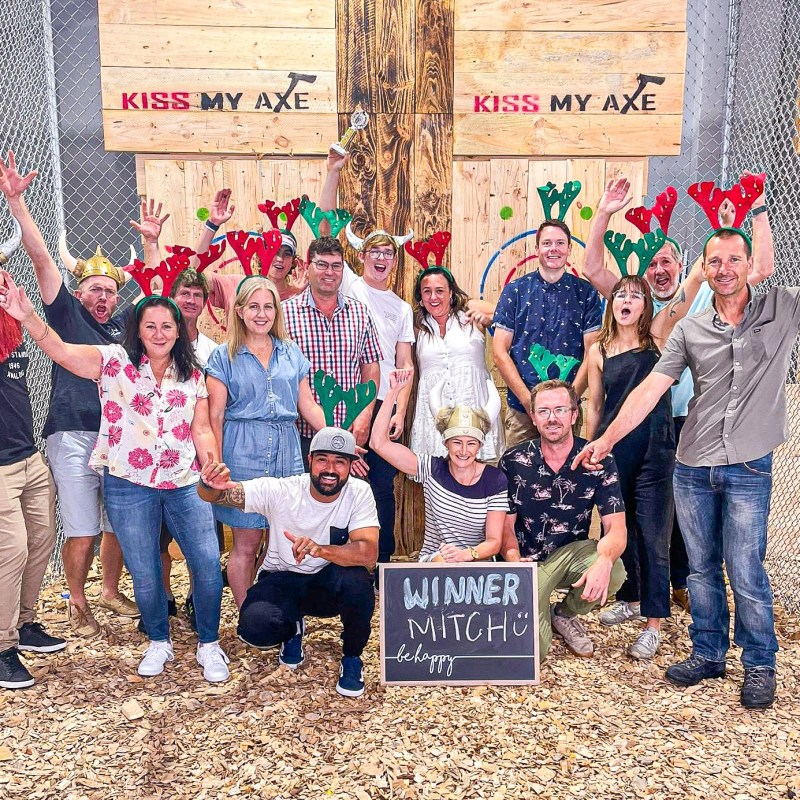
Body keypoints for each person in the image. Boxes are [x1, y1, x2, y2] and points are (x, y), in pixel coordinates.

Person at [573, 226, 793, 709]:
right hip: (692, 463)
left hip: (748, 464)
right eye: (715, 262)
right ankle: (709, 651)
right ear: (704, 269)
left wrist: (758, 210)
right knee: (699, 567)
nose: (725, 269)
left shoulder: (779, 309)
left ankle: (760, 663)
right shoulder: (690, 330)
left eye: (734, 260)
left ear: (747, 265)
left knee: (744, 566)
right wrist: (604, 440)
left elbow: (767, 265)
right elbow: (650, 389)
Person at [0, 274, 229, 683]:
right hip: (129, 483)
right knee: (143, 568)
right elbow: (60, 350)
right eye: (150, 326)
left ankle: (209, 644)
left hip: (183, 482)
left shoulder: (193, 373)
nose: (159, 333)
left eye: (167, 326)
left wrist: (212, 464)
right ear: (137, 330)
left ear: (179, 331)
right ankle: (158, 640)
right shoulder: (112, 361)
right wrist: (29, 315)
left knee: (207, 562)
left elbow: (201, 428)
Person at [583, 174, 775, 613]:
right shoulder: (633, 307)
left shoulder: (698, 294)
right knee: (636, 511)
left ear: (684, 264)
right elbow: (594, 269)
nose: (659, 269)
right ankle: (636, 592)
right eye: (652, 263)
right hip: (633, 422)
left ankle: (682, 583)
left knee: (680, 510)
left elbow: (745, 270)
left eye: (667, 260)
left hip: (688, 418)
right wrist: (605, 212)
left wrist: (736, 222)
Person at [0, 152, 149, 636]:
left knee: (116, 523)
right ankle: (77, 602)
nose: (102, 297)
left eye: (109, 290)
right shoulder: (66, 314)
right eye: (94, 289)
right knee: (82, 527)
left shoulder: (125, 327)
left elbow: (159, 294)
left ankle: (109, 591)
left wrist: (150, 244)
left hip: (120, 437)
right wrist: (17, 204)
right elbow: (43, 258)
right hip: (73, 434)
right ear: (79, 292)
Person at [198, 427, 379, 698]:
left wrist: (321, 551)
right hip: (283, 577)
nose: (330, 469)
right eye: (322, 460)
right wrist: (209, 485)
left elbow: (368, 553)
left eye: (339, 462)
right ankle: (291, 628)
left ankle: (352, 657)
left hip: (327, 581)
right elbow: (219, 495)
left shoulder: (359, 492)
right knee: (254, 628)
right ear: (310, 460)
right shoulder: (283, 490)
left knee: (359, 583)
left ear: (351, 466)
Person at [206, 276, 326, 607]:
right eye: (254, 307)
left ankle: (269, 606)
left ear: (277, 311)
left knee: (282, 540)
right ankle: (248, 615)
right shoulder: (223, 356)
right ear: (240, 311)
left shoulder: (291, 352)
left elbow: (307, 404)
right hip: (242, 450)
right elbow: (215, 416)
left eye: (268, 307)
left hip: (287, 452)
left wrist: (335, 437)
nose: (262, 314)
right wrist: (217, 462)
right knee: (245, 543)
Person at [499, 380, 627, 660]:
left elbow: (616, 528)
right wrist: (513, 561)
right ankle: (538, 606)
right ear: (533, 417)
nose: (552, 418)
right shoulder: (514, 460)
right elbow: (505, 525)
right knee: (532, 654)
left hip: (569, 557)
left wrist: (604, 562)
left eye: (560, 410)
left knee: (615, 571)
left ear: (574, 414)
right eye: (543, 411)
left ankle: (564, 613)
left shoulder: (599, 460)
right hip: (526, 562)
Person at [585, 276, 677, 659]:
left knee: (654, 532)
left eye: (635, 296)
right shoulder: (598, 349)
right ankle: (632, 598)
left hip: (656, 447)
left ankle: (654, 623)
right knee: (620, 527)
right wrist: (590, 448)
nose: (626, 300)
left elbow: (685, 295)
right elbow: (595, 404)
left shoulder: (658, 338)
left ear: (645, 306)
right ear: (612, 303)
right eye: (620, 294)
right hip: (615, 447)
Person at [0, 238, 66, 690]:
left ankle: (24, 623)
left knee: (42, 541)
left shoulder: (12, 322)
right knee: (13, 549)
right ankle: (2, 646)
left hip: (28, 455)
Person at [342, 215, 415, 584]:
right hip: (344, 402)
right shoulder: (348, 286)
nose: (382, 258)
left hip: (384, 404)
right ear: (361, 256)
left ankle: (382, 564)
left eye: (388, 252)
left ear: (395, 260)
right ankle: (340, 562)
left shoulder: (401, 308)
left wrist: (399, 410)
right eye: (375, 251)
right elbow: (324, 230)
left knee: (382, 486)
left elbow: (405, 363)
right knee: (340, 481)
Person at [371, 370, 507, 563]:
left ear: (480, 446)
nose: (463, 451)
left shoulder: (494, 479)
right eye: (457, 442)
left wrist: (466, 555)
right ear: (446, 443)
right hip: (437, 561)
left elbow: (494, 541)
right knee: (445, 562)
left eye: (471, 443)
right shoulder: (431, 469)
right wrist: (392, 392)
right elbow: (378, 443)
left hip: (478, 560)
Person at [493, 220, 602, 448]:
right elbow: (499, 352)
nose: (554, 249)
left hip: (567, 412)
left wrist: (569, 401)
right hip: (522, 410)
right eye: (547, 243)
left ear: (569, 249)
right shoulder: (515, 291)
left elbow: (592, 353)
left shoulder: (586, 293)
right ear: (537, 249)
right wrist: (529, 403)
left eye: (560, 243)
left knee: (568, 469)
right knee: (519, 469)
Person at [282, 236, 382, 458]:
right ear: (307, 267)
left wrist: (365, 413)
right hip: (302, 436)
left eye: (336, 266)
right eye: (322, 264)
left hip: (352, 433)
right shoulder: (285, 315)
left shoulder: (360, 313)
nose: (330, 272)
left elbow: (371, 368)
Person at [410, 265, 503, 463]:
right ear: (421, 297)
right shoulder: (417, 325)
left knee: (478, 471)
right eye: (427, 291)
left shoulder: (470, 311)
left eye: (440, 290)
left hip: (474, 407)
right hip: (434, 415)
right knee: (437, 473)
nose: (433, 297)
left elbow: (512, 319)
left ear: (451, 293)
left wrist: (489, 320)